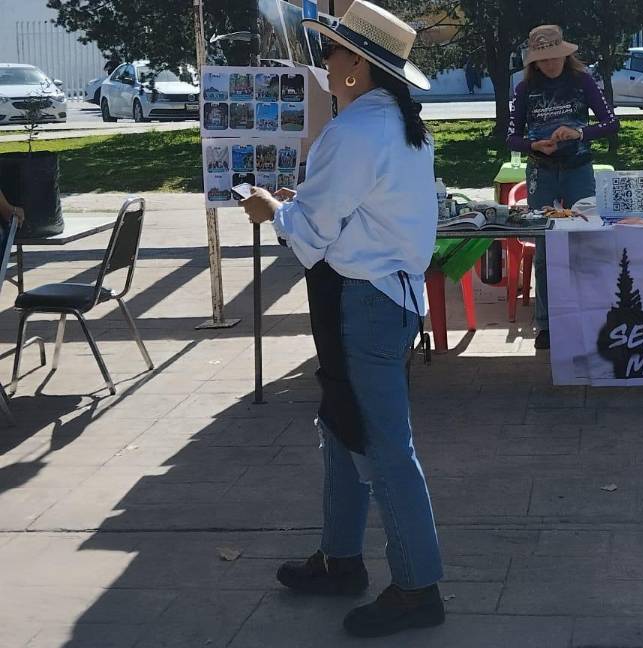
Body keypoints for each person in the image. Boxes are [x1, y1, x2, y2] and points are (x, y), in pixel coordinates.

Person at [239, 2, 444, 639]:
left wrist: (272, 208)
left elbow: (311, 233)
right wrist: (301, 208)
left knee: (382, 447)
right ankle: (341, 557)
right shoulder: (397, 124)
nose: (323, 62)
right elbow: (357, 210)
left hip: (365, 300)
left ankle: (417, 586)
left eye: (330, 52)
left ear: (358, 64)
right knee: (342, 429)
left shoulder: (355, 131)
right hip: (385, 295)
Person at [507, 24, 619, 350]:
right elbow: (510, 136)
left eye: (555, 57)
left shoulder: (582, 81)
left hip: (579, 170)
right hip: (541, 171)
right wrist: (533, 145)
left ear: (565, 54)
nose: (551, 64)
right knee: (544, 249)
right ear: (534, 62)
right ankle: (545, 323)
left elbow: (611, 123)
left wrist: (579, 133)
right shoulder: (524, 89)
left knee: (587, 242)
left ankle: (593, 315)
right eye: (543, 59)